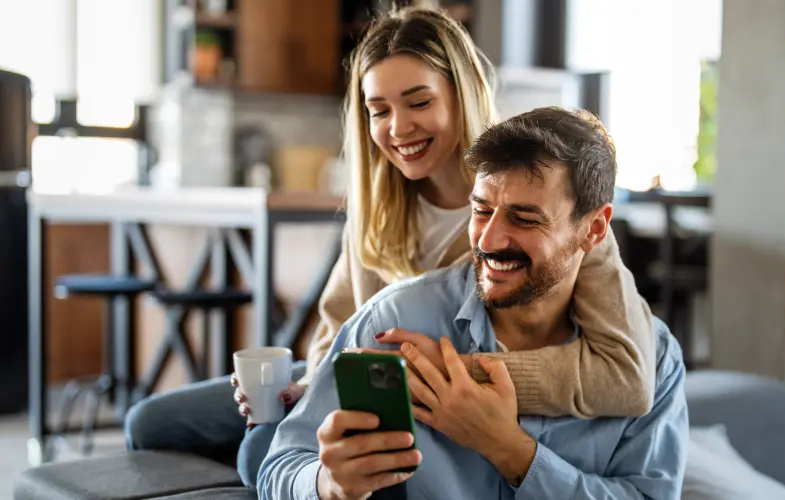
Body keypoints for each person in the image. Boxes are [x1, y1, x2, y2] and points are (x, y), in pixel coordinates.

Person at [124, 6, 656, 489]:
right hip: (362, 376)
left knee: (258, 452)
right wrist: (308, 387)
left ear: (465, 90)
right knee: (149, 422)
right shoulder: (379, 201)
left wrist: (453, 374)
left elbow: (628, 378)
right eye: (378, 110)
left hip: (431, 399)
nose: (398, 128)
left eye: (418, 102)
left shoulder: (541, 209)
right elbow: (337, 322)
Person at [261, 107, 689, 500]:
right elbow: (279, 467)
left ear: (594, 230)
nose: (488, 241)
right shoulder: (396, 322)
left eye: (524, 219)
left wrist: (511, 452)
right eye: (482, 210)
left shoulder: (656, 360)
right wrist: (326, 483)